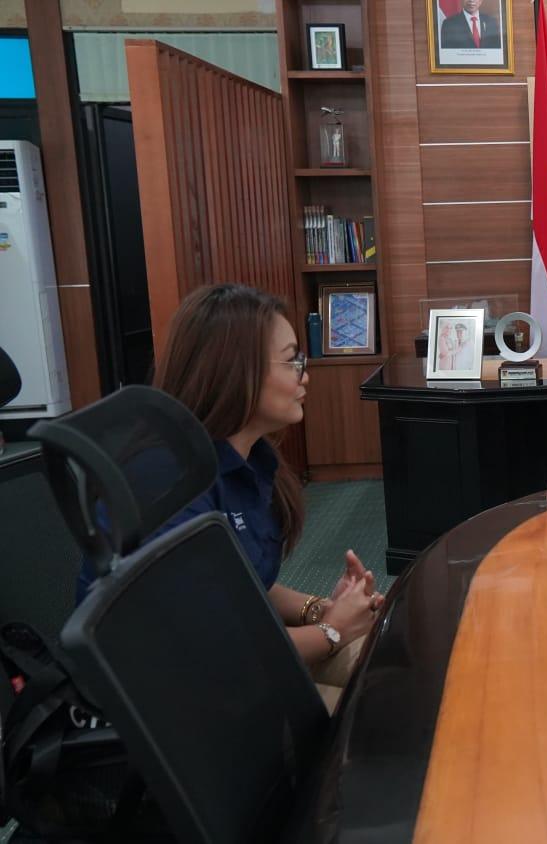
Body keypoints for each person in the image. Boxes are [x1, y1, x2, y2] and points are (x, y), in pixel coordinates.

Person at [78, 284, 383, 701]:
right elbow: (221, 653)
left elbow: (238, 581)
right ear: (237, 370)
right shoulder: (164, 481)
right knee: (382, 717)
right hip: (174, 706)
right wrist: (333, 631)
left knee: (390, 662)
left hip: (229, 670)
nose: (305, 373)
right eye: (293, 359)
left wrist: (319, 610)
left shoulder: (248, 458)